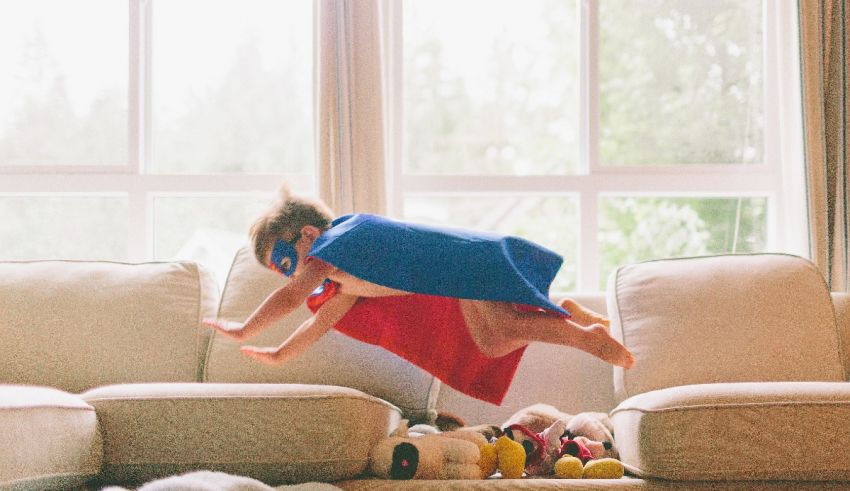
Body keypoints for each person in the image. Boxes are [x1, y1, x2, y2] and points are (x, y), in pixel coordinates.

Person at [203, 187, 634, 405]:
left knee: (500, 330)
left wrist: (244, 328)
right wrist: (280, 354)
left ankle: (581, 334)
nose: (290, 271)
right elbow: (319, 322)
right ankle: (570, 318)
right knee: (493, 341)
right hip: (459, 272)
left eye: (283, 258)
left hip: (468, 263)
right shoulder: (344, 276)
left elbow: (290, 299)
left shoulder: (333, 247)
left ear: (309, 234)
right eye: (279, 267)